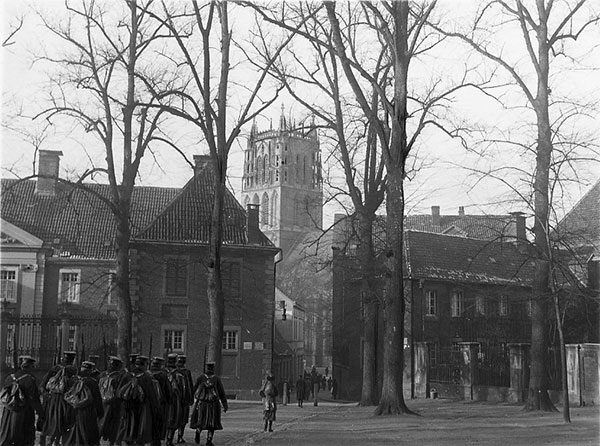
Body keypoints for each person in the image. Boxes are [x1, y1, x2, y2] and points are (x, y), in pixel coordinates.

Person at [0, 355, 44, 446]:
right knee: (24, 439)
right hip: (24, 413)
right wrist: (41, 414)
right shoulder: (29, 379)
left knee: (7, 437)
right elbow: (34, 399)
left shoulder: (9, 377)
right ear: (30, 366)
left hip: (9, 412)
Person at [116, 355, 159, 446]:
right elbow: (152, 395)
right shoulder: (146, 377)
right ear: (144, 365)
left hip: (127, 406)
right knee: (140, 428)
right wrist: (155, 407)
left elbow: (119, 392)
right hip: (142, 407)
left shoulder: (127, 375)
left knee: (128, 426)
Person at [40, 350, 78, 446]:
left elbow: (43, 385)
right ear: (72, 359)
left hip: (52, 399)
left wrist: (46, 396)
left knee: (50, 422)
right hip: (65, 400)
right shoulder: (73, 370)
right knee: (61, 422)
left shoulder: (55, 368)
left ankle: (45, 442)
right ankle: (54, 442)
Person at [63, 361, 104, 445]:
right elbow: (97, 399)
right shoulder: (92, 382)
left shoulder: (73, 380)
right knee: (89, 434)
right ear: (90, 371)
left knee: (75, 432)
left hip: (74, 410)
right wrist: (100, 413)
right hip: (88, 412)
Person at [191, 362, 228, 446]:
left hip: (202, 403)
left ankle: (198, 430)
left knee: (201, 420)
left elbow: (194, 389)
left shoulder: (201, 378)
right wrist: (225, 404)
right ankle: (209, 440)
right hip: (213, 404)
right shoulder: (216, 379)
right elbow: (221, 392)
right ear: (213, 369)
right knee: (212, 423)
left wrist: (190, 399)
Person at [99, 356, 125, 446]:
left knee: (102, 423)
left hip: (103, 402)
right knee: (113, 425)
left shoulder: (103, 374)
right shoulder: (120, 376)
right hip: (114, 404)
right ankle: (111, 442)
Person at [150, 356, 171, 446]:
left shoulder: (148, 375)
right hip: (161, 403)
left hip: (149, 403)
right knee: (160, 422)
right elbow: (168, 390)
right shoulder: (163, 376)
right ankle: (156, 439)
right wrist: (169, 400)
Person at [176, 354, 194, 443]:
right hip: (183, 399)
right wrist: (191, 398)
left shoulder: (176, 372)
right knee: (182, 419)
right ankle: (179, 436)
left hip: (178, 400)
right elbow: (190, 386)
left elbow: (190, 385)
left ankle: (171, 437)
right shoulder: (186, 372)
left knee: (177, 418)